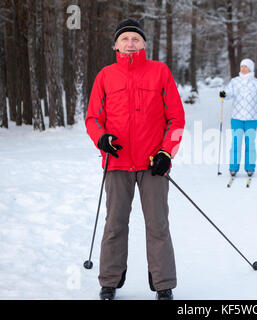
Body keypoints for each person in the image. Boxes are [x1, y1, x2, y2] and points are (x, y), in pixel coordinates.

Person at [85, 18, 185, 300]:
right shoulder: (105, 76)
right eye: (125, 39)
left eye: (136, 39)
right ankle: (109, 282)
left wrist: (167, 151)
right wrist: (102, 138)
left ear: (144, 44)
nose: (130, 43)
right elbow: (93, 118)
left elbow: (176, 118)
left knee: (158, 225)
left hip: (154, 164)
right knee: (115, 224)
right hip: (116, 164)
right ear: (115, 44)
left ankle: (164, 285)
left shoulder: (159, 72)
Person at [219, 58, 257, 177]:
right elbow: (229, 93)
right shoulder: (235, 81)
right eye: (242, 66)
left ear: (251, 68)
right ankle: (233, 167)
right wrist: (224, 94)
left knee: (250, 143)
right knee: (236, 143)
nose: (243, 69)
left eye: (246, 66)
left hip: (251, 118)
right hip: (237, 118)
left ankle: (250, 167)